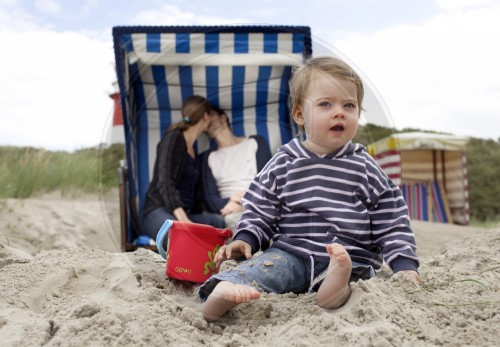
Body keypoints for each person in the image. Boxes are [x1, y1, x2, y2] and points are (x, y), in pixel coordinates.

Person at [199, 56, 420, 322]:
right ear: (300, 115)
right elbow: (260, 207)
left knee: (355, 274)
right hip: (293, 253)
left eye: (348, 105)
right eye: (326, 104)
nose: (339, 112)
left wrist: (404, 265)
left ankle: (333, 289)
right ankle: (227, 288)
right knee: (262, 269)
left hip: (349, 256)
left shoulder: (364, 167)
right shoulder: (285, 161)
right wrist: (246, 238)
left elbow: (392, 220)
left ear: (357, 115)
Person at [140, 95, 225, 244]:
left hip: (184, 215)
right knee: (179, 237)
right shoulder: (173, 140)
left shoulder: (193, 149)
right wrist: (184, 220)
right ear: (205, 116)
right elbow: (164, 182)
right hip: (157, 210)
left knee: (217, 222)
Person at [198, 107, 272, 230]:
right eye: (202, 117)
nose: (206, 118)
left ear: (223, 117)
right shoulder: (206, 158)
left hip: (259, 206)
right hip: (230, 211)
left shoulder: (256, 142)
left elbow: (268, 184)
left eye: (209, 113)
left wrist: (244, 202)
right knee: (237, 222)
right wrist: (235, 202)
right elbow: (209, 199)